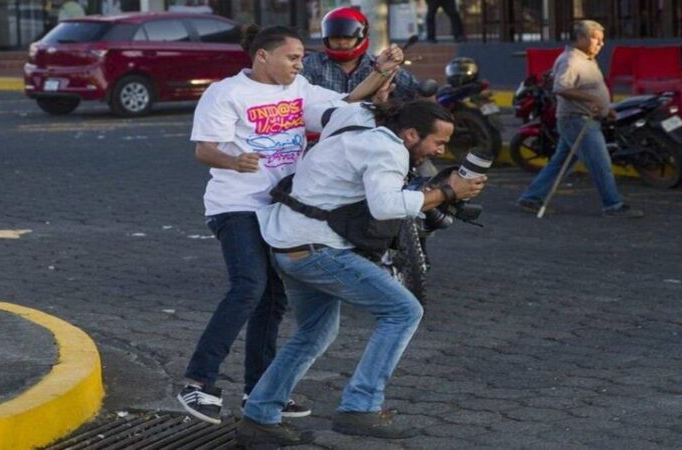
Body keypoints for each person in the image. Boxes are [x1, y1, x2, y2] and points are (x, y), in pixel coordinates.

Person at [177, 24, 403, 425]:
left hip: (283, 208)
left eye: (301, 57)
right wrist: (233, 161)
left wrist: (381, 72)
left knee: (273, 300)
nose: (301, 65)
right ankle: (198, 381)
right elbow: (203, 150)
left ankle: (258, 391)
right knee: (249, 286)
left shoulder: (299, 89)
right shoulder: (226, 92)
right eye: (293, 57)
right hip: (238, 205)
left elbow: (347, 102)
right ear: (263, 56)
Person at [235, 100, 487, 447]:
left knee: (315, 332)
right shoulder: (388, 150)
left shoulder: (358, 129)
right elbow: (385, 206)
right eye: (437, 143)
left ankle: (259, 417)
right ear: (411, 134)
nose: (440, 150)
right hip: (316, 251)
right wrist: (446, 191)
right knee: (404, 310)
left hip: (289, 244)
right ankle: (360, 408)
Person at [517, 20, 643, 218]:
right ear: (581, 38)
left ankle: (532, 197)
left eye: (602, 40)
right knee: (600, 163)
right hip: (577, 120)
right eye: (596, 39)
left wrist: (605, 108)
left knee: (561, 163)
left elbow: (590, 88)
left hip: (583, 118)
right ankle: (613, 205)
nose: (600, 44)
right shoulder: (571, 60)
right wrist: (592, 99)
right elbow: (561, 87)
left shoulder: (587, 59)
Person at [301, 6, 420, 102]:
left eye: (348, 38)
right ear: (326, 38)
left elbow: (417, 93)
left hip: (370, 129)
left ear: (361, 38)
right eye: (335, 38)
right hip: (323, 129)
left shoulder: (379, 64)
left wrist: (387, 69)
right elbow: (298, 97)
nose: (341, 42)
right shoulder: (312, 64)